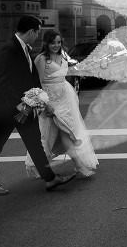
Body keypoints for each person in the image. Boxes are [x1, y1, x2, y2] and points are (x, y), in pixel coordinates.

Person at [0, 15, 76, 195]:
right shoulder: (9, 49)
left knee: (34, 143)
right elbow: (1, 82)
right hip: (5, 109)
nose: (37, 36)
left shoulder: (24, 48)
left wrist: (42, 102)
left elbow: (30, 79)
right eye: (37, 32)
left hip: (24, 108)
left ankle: (50, 179)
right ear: (31, 31)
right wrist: (21, 102)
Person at [25, 29, 98, 179]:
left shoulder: (63, 55)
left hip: (65, 100)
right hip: (49, 101)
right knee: (46, 136)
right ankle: (36, 165)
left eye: (59, 42)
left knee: (66, 132)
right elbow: (37, 84)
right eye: (53, 42)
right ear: (46, 43)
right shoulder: (41, 59)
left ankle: (79, 166)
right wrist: (45, 105)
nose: (56, 45)